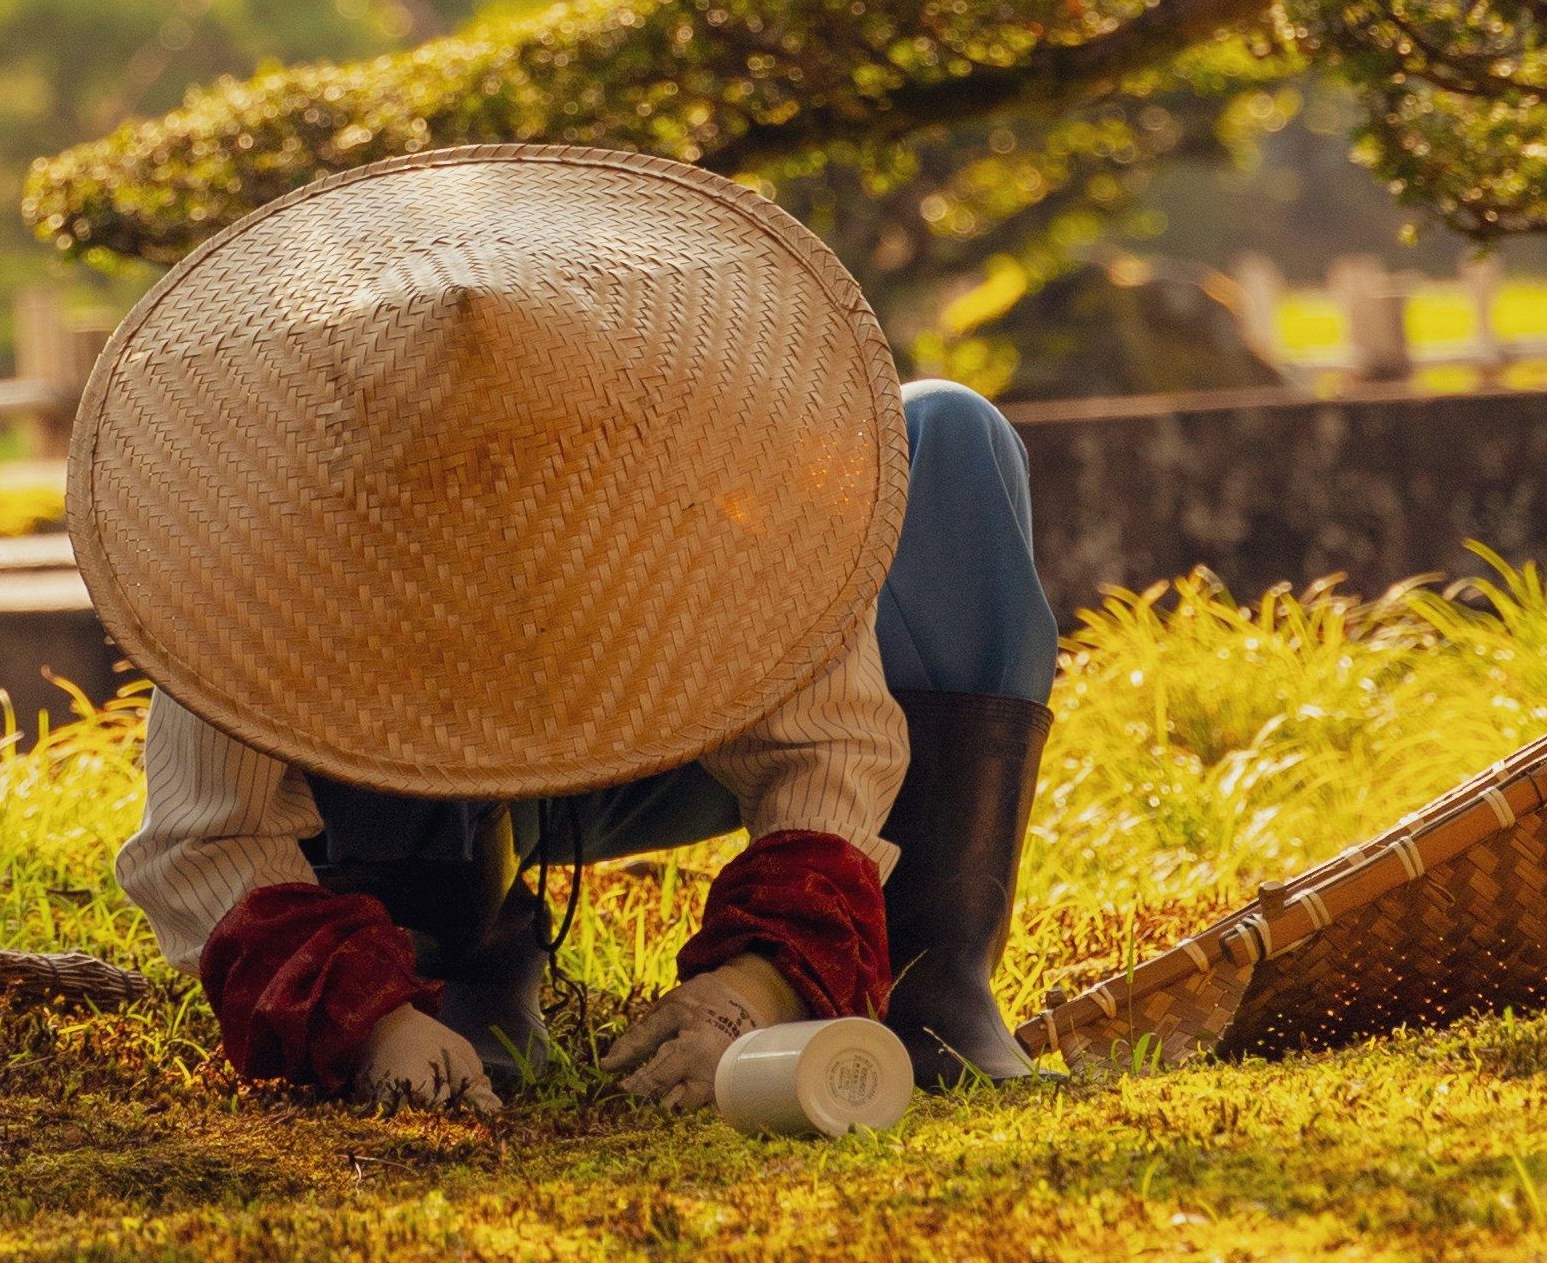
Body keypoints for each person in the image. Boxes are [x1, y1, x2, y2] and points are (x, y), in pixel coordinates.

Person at [66, 144, 1065, 1116]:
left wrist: (763, 980)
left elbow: (827, 747)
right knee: (416, 924)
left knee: (952, 431)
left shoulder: (718, 460)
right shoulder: (262, 539)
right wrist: (368, 1020)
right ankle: (460, 960)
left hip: (674, 759)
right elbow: (208, 838)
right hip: (416, 820)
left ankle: (932, 981)